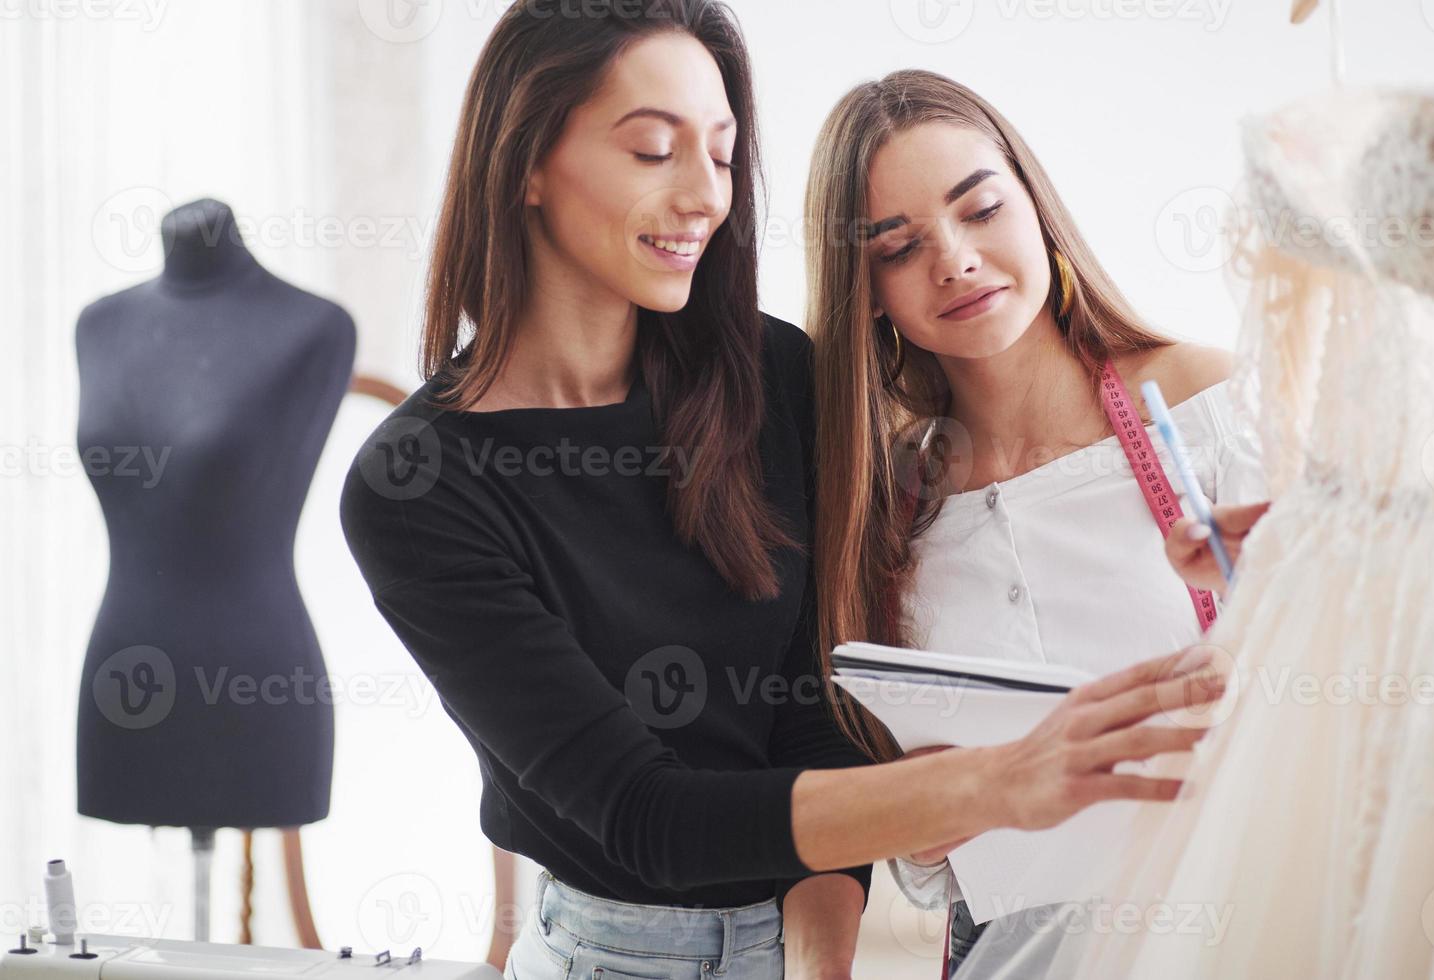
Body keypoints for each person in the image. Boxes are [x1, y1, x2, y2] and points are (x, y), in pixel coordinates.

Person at [339, 5, 1226, 977]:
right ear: (527, 163)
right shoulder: (416, 488)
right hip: (609, 952)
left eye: (721, 155)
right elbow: (647, 815)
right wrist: (1000, 783)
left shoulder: (770, 377)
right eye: (652, 150)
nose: (702, 197)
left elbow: (813, 716)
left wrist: (817, 959)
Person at [801, 68, 1268, 974]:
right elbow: (930, 866)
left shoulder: (1202, 404)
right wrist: (926, 831)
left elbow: (1358, 676)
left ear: (1035, 205)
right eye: (897, 248)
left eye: (979, 210)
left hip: (1228, 921)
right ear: (865, 291)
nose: (955, 260)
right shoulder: (884, 506)